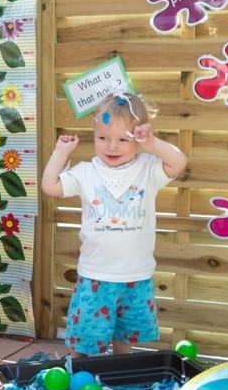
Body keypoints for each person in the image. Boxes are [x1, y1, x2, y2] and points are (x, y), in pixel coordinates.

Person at [41, 91, 188, 356]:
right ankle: (78, 371)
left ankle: (120, 374)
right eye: (103, 138)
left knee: (125, 337)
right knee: (85, 338)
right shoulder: (86, 172)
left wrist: (152, 143)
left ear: (138, 138)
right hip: (95, 275)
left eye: (123, 139)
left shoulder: (148, 169)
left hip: (136, 275)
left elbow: (178, 162)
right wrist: (61, 152)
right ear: (94, 134)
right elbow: (49, 185)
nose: (112, 147)